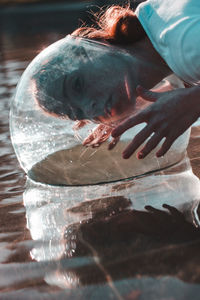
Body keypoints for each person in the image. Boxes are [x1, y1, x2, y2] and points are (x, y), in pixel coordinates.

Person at [34, 0, 200, 159]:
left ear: (95, 45)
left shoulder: (187, 42)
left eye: (77, 85)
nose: (90, 109)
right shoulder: (154, 22)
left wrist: (192, 102)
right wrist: (145, 103)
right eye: (78, 113)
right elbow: (177, 78)